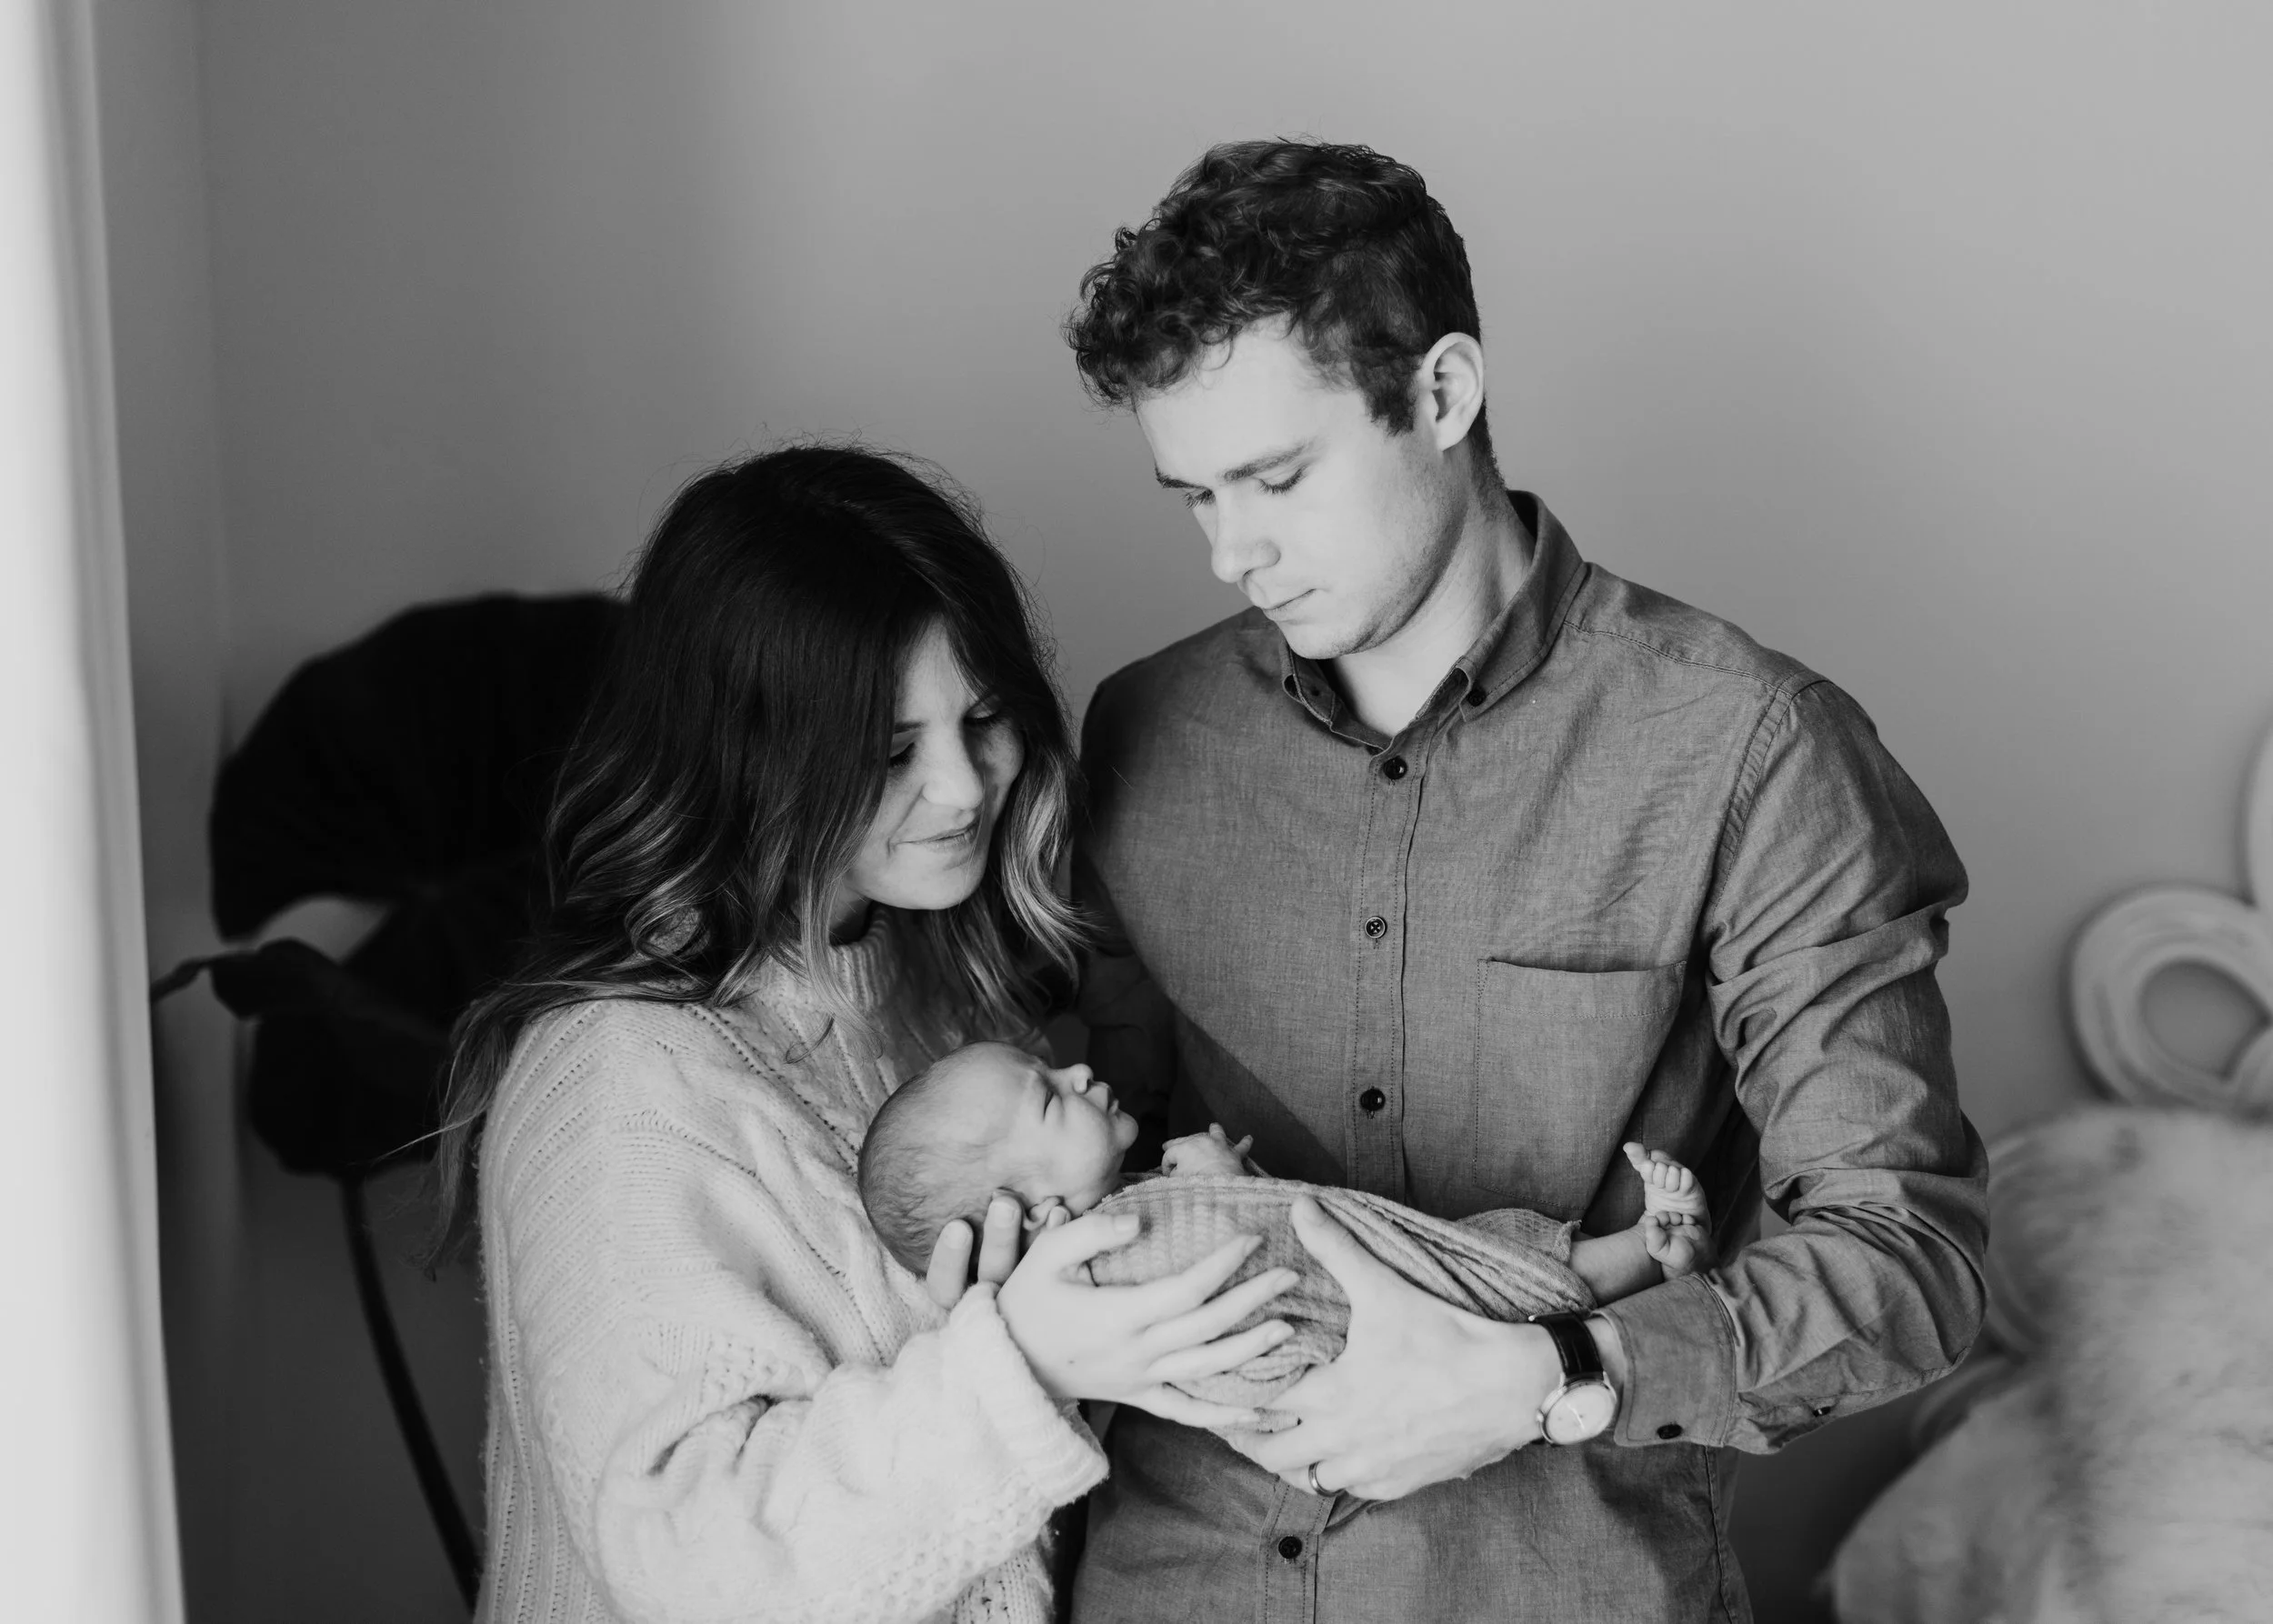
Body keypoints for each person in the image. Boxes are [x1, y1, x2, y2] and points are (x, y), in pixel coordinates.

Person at [1058, 140, 1991, 1623]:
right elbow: (1093, 1162)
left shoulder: (1751, 750)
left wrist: (1551, 1375)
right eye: (1194, 498)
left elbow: (1908, 1257)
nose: (1235, 552)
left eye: (1278, 478)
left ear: (1442, 394)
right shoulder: (1142, 733)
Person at [430, 446, 1298, 1624]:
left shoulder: (940, 989)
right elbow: (693, 1570)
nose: (964, 787)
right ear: (746, 756)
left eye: (982, 718)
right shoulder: (613, 1085)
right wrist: (1025, 1361)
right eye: (891, 751)